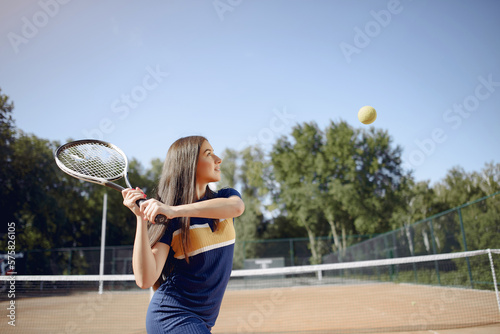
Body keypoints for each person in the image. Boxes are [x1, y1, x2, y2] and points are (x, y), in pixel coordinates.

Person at [122, 136, 245, 334]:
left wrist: (173, 210)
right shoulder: (169, 222)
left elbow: (237, 208)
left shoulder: (225, 197)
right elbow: (145, 279)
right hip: (171, 315)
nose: (218, 159)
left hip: (202, 322)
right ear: (189, 164)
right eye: (208, 154)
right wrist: (140, 219)